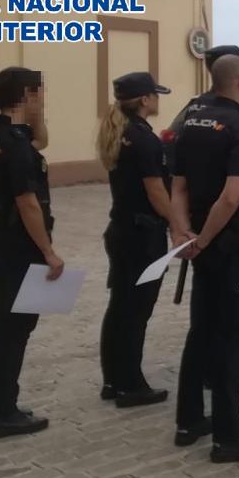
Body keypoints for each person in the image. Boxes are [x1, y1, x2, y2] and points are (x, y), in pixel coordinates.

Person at [170, 55, 239, 462]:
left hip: (198, 238)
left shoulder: (191, 121)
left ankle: (189, 420)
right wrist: (205, 239)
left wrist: (183, 233)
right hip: (230, 244)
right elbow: (232, 196)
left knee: (202, 329)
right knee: (234, 337)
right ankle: (229, 436)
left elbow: (178, 187)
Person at [0, 67, 56, 439]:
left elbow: (42, 140)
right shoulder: (16, 144)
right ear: (26, 95)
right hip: (19, 243)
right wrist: (49, 252)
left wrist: (36, 116)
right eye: (39, 94)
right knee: (13, 328)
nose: (42, 99)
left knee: (6, 326)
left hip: (2, 236)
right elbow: (28, 204)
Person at [97, 72, 176, 409]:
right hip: (143, 234)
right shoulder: (144, 139)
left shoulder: (121, 133)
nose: (158, 100)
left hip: (122, 230)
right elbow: (155, 190)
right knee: (136, 311)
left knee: (120, 308)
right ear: (145, 99)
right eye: (155, 95)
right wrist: (177, 223)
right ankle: (131, 385)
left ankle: (114, 381)